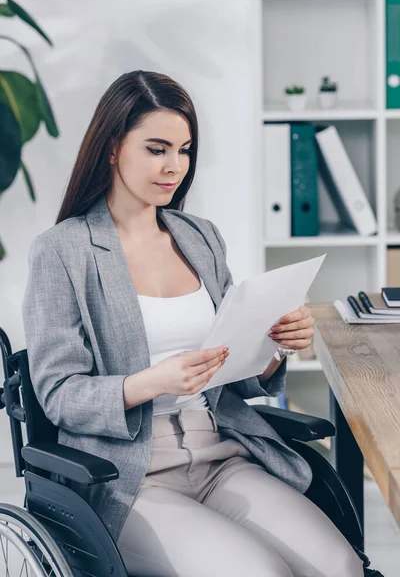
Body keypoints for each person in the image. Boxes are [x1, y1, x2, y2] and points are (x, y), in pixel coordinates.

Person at [22, 70, 365, 577]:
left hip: (221, 451)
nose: (175, 167)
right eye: (157, 149)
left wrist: (274, 349)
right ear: (113, 148)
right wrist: (151, 382)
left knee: (340, 566)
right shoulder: (63, 250)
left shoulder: (200, 236)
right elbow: (57, 394)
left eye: (184, 150)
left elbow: (236, 371)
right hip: (130, 474)